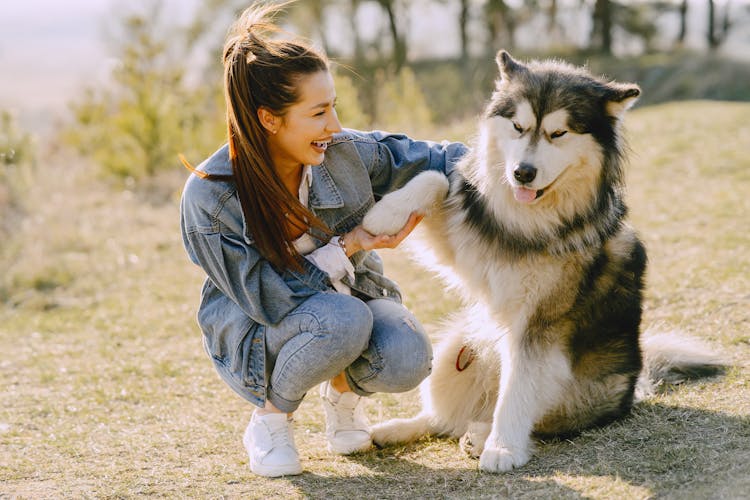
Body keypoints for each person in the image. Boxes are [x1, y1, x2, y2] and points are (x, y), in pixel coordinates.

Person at [179, 2, 466, 477]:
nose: (335, 126)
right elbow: (268, 300)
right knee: (344, 318)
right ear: (270, 119)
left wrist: (515, 166)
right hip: (259, 334)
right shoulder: (210, 198)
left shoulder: (344, 153)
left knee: (409, 355)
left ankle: (345, 398)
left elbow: (434, 157)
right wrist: (350, 245)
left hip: (345, 307)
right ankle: (270, 421)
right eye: (319, 112)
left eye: (334, 106)